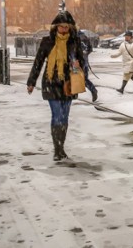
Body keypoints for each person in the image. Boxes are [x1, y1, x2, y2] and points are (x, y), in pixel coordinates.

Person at [27, 10, 85, 161]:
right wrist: (31, 82)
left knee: (65, 117)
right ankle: (57, 149)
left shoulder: (74, 42)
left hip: (68, 84)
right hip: (51, 83)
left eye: (67, 27)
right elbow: (38, 62)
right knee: (57, 115)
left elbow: (82, 62)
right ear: (55, 27)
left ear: (71, 28)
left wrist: (79, 64)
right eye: (61, 26)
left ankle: (61, 147)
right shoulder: (47, 41)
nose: (64, 29)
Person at [77, 29, 98, 102]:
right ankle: (93, 90)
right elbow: (90, 49)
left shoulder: (75, 38)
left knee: (77, 79)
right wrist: (85, 55)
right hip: (84, 63)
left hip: (78, 64)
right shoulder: (85, 38)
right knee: (84, 79)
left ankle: (70, 96)